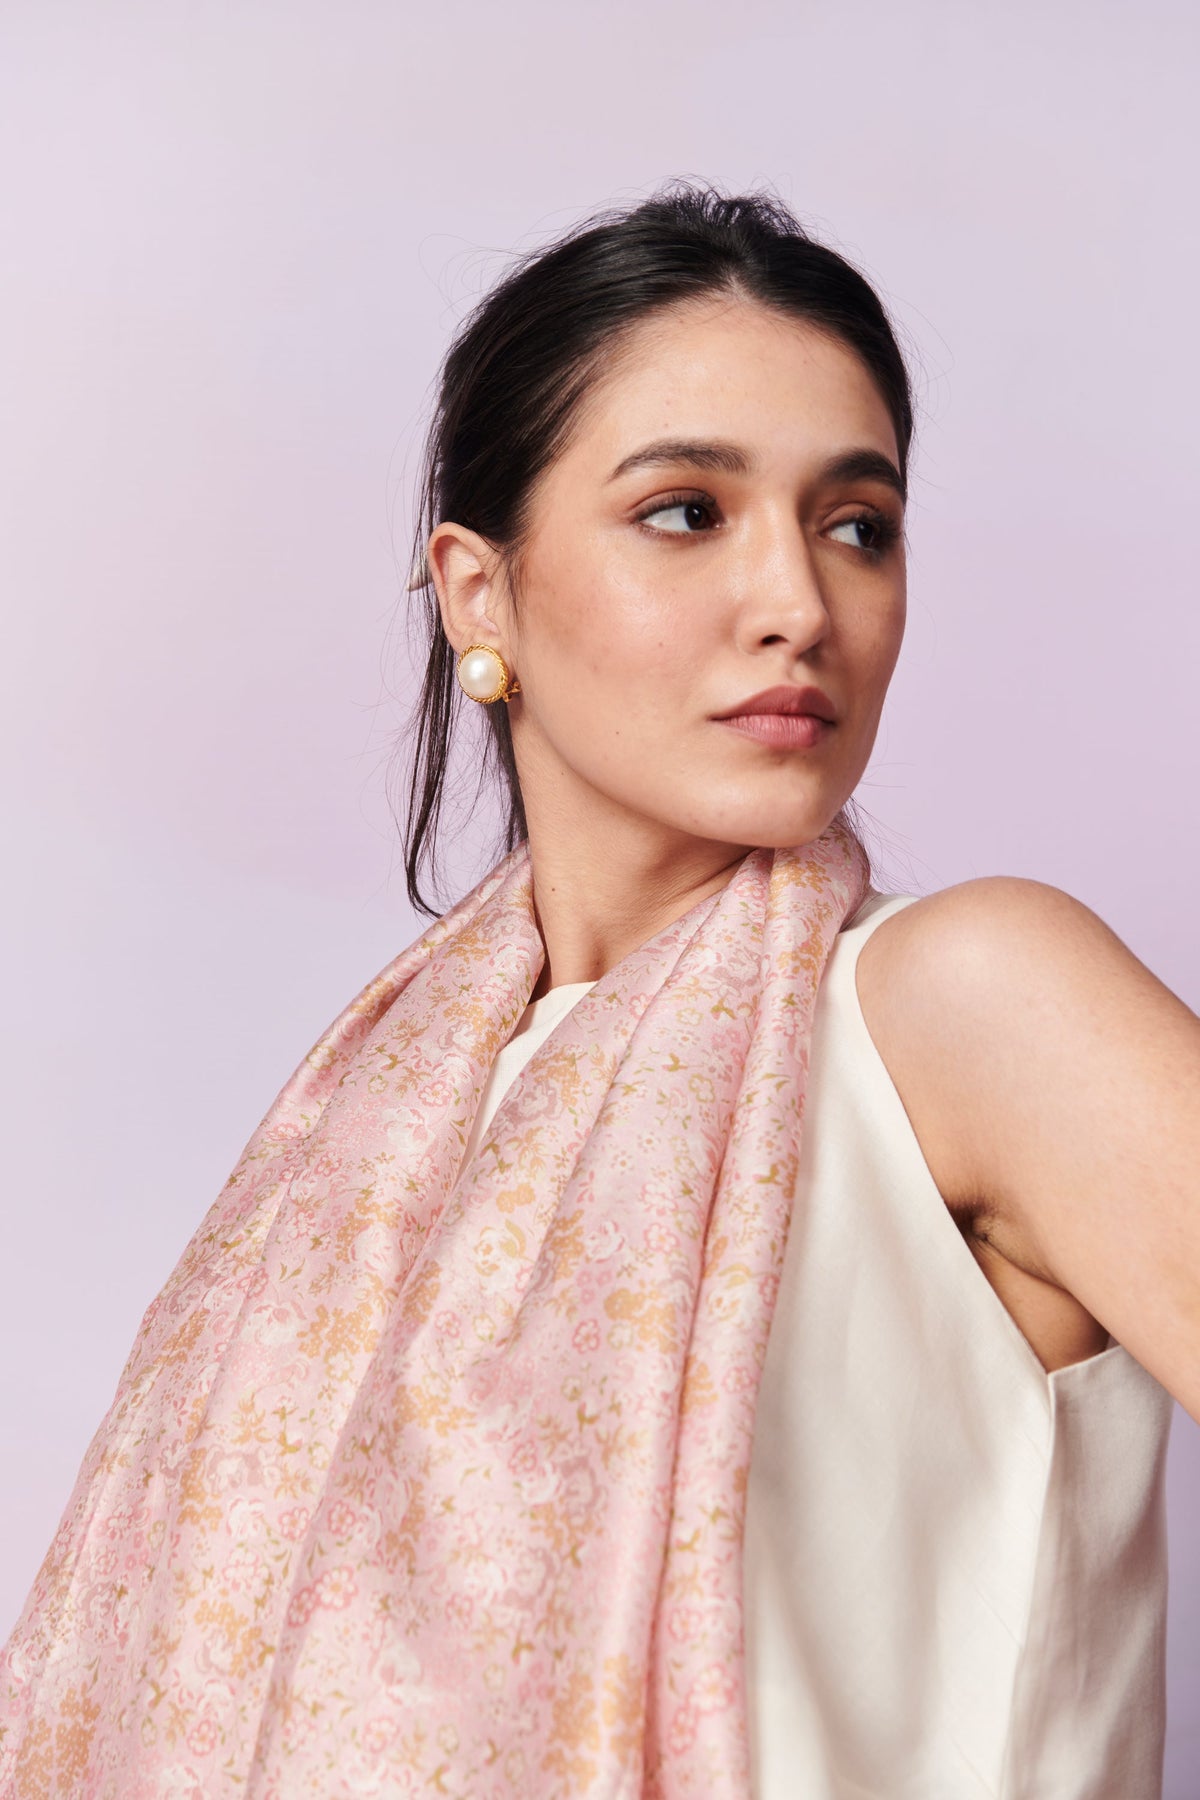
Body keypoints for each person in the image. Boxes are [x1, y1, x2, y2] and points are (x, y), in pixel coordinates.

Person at [1, 182, 1195, 1800]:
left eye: (858, 525)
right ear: (478, 594)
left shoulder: (964, 1006)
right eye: (688, 511)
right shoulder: (370, 1147)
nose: (799, 605)